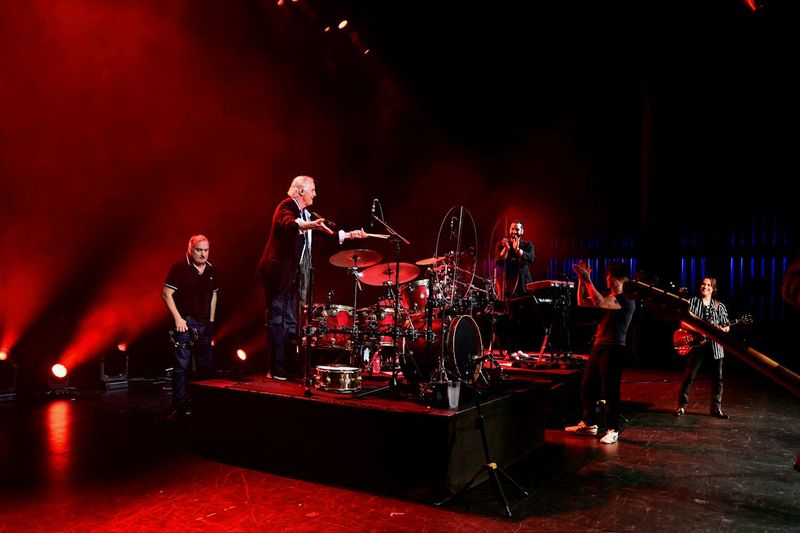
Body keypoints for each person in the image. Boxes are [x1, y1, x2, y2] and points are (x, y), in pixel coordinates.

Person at [256, 175, 366, 380]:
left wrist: (351, 234)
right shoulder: (286, 206)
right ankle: (275, 368)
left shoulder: (306, 214)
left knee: (291, 322)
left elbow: (326, 231)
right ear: (300, 191)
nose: (315, 194)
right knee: (277, 320)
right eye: (312, 190)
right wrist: (310, 224)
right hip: (277, 274)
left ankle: (289, 365)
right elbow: (290, 223)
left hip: (291, 276)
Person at [565, 261, 636, 444]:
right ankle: (588, 423)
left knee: (610, 390)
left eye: (608, 276)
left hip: (614, 349)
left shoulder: (626, 300)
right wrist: (581, 280)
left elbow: (599, 302)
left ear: (616, 279)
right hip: (599, 346)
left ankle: (613, 429)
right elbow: (582, 301)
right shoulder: (609, 296)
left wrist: (588, 280)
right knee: (588, 384)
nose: (606, 279)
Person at [162, 234, 218, 416]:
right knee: (181, 367)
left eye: (206, 250)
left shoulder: (212, 270)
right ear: (190, 249)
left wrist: (211, 320)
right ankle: (178, 404)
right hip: (186, 324)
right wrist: (178, 319)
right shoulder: (179, 268)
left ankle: (202, 404)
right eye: (199, 250)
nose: (203, 254)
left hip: (204, 325)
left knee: (205, 366)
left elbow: (214, 295)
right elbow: (166, 294)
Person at [672, 277, 731, 419]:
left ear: (713, 288)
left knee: (718, 379)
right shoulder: (692, 302)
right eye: (703, 284)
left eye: (709, 285)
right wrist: (700, 331)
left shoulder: (720, 306)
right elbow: (683, 322)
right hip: (697, 346)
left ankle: (716, 409)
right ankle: (681, 406)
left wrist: (723, 330)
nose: (705, 287)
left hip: (716, 346)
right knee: (689, 376)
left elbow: (727, 326)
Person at [494, 220, 535, 357]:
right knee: (511, 318)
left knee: (522, 319)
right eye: (512, 229)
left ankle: (519, 349)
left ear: (522, 231)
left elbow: (531, 258)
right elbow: (498, 261)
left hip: (524, 287)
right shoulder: (502, 244)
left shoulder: (527, 245)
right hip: (509, 288)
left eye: (517, 229)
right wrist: (507, 248)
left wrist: (518, 250)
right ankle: (511, 349)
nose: (514, 232)